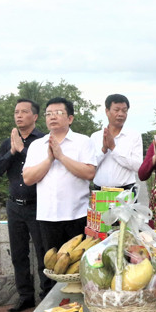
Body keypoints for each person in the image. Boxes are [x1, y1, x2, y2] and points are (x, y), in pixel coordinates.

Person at [0, 98, 48, 312]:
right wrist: (12, 151)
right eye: (16, 112)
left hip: (38, 205)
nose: (19, 115)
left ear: (34, 116)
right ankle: (25, 296)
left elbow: (45, 168)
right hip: (14, 206)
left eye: (24, 112)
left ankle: (45, 296)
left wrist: (23, 149)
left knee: (43, 253)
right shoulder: (8, 142)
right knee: (18, 254)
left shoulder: (43, 141)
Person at [23, 97, 97, 259]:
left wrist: (61, 157)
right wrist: (49, 159)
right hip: (47, 217)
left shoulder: (83, 142)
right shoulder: (37, 145)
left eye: (58, 113)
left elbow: (89, 173)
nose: (52, 117)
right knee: (50, 267)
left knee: (77, 266)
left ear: (70, 118)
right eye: (48, 114)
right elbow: (28, 178)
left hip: (77, 215)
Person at [90, 94, 142, 192]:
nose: (121, 114)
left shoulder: (133, 135)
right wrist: (104, 150)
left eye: (124, 110)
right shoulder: (95, 136)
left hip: (125, 191)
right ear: (107, 111)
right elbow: (90, 166)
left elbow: (138, 166)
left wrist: (113, 148)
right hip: (100, 191)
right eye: (116, 110)